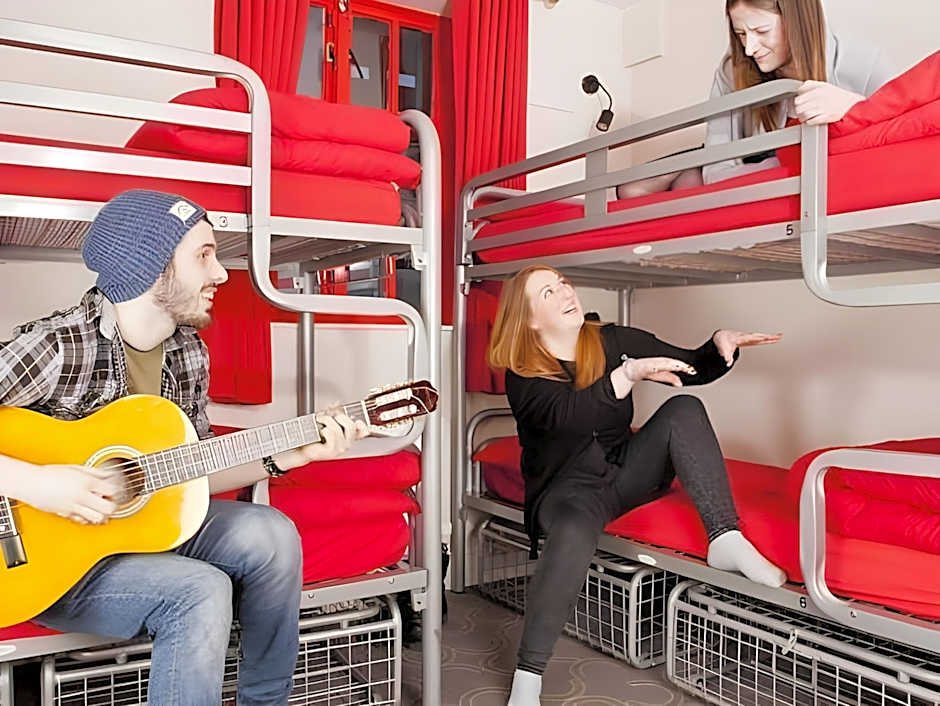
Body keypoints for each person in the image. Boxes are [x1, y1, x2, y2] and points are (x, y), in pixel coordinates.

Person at [0, 189, 366, 705]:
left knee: (273, 534)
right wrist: (39, 484)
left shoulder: (188, 351)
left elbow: (192, 470)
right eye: (204, 255)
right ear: (151, 267)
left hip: (143, 530)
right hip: (43, 563)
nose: (221, 274)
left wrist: (287, 457)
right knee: (201, 590)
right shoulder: (58, 345)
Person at [488, 265, 785, 706]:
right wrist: (626, 376)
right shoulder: (523, 374)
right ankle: (528, 676)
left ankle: (725, 536)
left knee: (683, 407)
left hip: (625, 472)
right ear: (529, 319)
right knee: (570, 531)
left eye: (563, 283)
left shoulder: (611, 340)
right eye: (548, 293)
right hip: (568, 490)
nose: (565, 293)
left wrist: (719, 346)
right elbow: (568, 417)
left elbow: (686, 366)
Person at [617, 0, 895, 198]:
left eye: (761, 31)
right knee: (630, 189)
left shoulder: (860, 62)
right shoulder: (732, 69)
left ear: (797, 23)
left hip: (787, 158)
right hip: (745, 155)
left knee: (685, 185)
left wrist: (853, 106)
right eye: (741, 34)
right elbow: (716, 171)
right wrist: (779, 164)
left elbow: (897, 136)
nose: (749, 48)